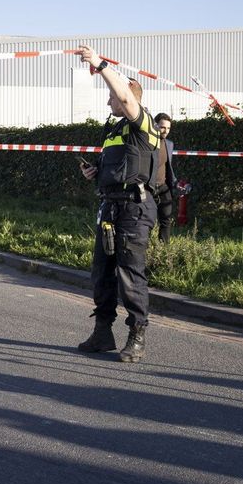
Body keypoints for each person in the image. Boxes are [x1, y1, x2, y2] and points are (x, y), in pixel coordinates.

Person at [74, 45, 160, 363]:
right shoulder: (114, 131)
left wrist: (100, 65)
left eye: (111, 96)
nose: (109, 100)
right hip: (110, 207)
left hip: (134, 210)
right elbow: (113, 168)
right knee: (102, 272)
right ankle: (102, 332)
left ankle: (136, 336)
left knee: (130, 274)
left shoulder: (142, 124)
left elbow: (123, 97)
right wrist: (93, 172)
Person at [152, 113, 177, 243]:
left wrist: (174, 182)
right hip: (148, 189)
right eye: (162, 127)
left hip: (164, 187)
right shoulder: (147, 143)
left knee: (166, 220)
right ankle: (144, 251)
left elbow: (168, 166)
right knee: (147, 222)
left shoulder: (169, 144)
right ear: (155, 125)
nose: (165, 131)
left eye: (168, 128)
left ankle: (163, 252)